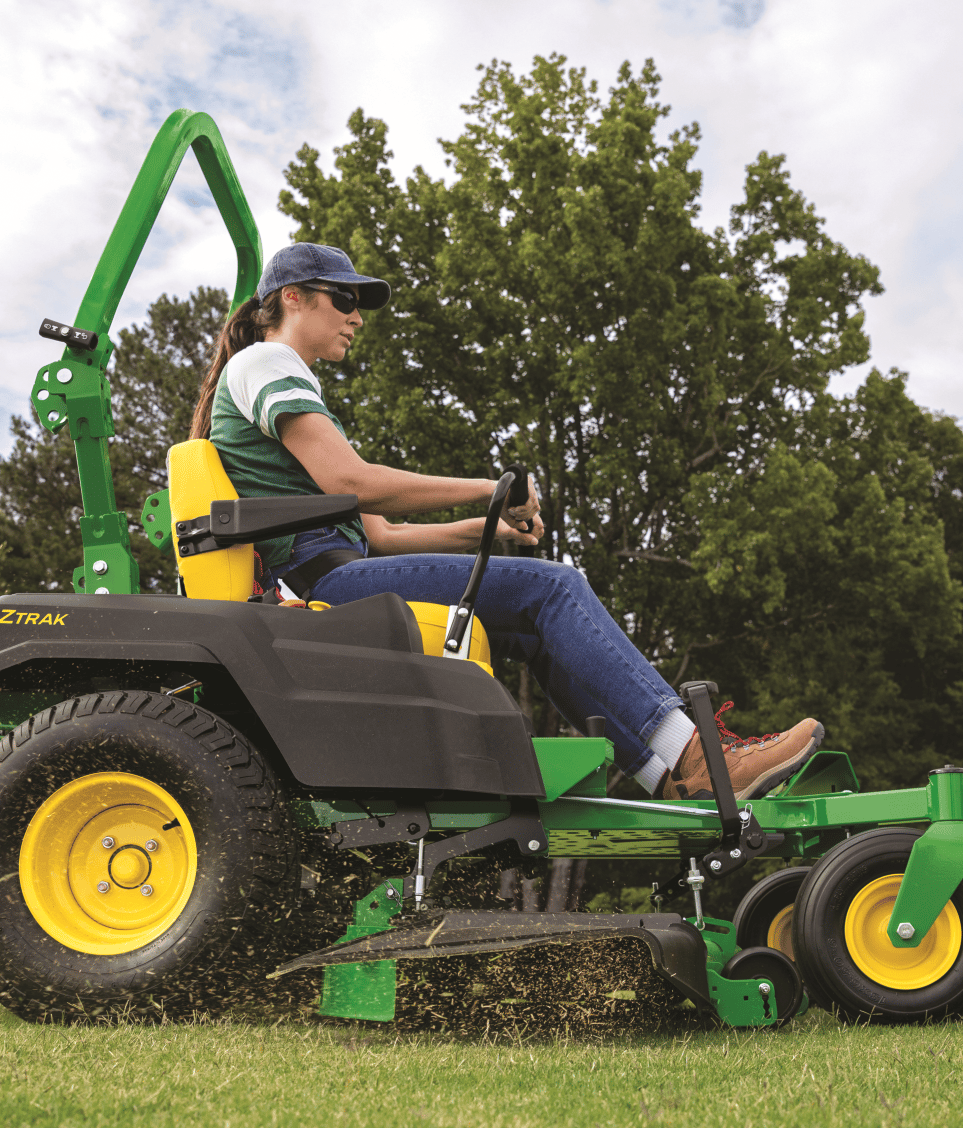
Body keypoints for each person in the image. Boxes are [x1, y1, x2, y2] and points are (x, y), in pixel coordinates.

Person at [188, 242, 824, 801]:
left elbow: (382, 536)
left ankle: (667, 776)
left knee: (534, 618)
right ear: (293, 298)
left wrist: (490, 529)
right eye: (343, 298)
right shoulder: (267, 365)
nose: (356, 315)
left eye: (360, 303)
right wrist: (492, 487)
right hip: (322, 583)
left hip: (339, 572)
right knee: (555, 589)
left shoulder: (276, 378)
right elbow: (349, 483)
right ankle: (700, 759)